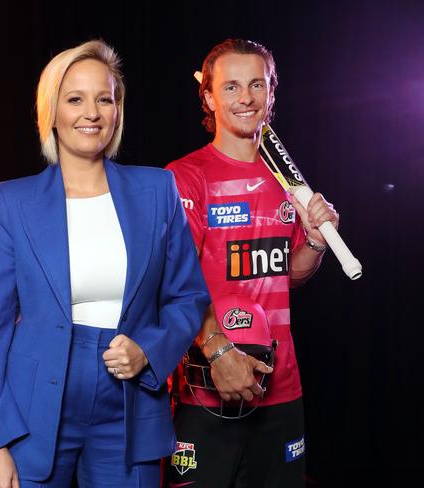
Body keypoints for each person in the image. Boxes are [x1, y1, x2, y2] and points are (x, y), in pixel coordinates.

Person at [0, 39, 209, 488]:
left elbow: (189, 296)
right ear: (51, 111)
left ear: (117, 110)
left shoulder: (158, 191)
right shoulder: (11, 201)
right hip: (31, 409)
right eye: (75, 99)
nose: (92, 113)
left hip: (129, 401)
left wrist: (149, 350)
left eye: (105, 99)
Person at [165, 39, 340, 487]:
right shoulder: (185, 176)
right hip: (205, 388)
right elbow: (172, 283)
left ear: (272, 92)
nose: (245, 98)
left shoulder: (287, 180)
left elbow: (289, 275)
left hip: (281, 389)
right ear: (207, 97)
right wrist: (218, 351)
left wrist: (316, 243)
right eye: (231, 87)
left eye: (257, 85)